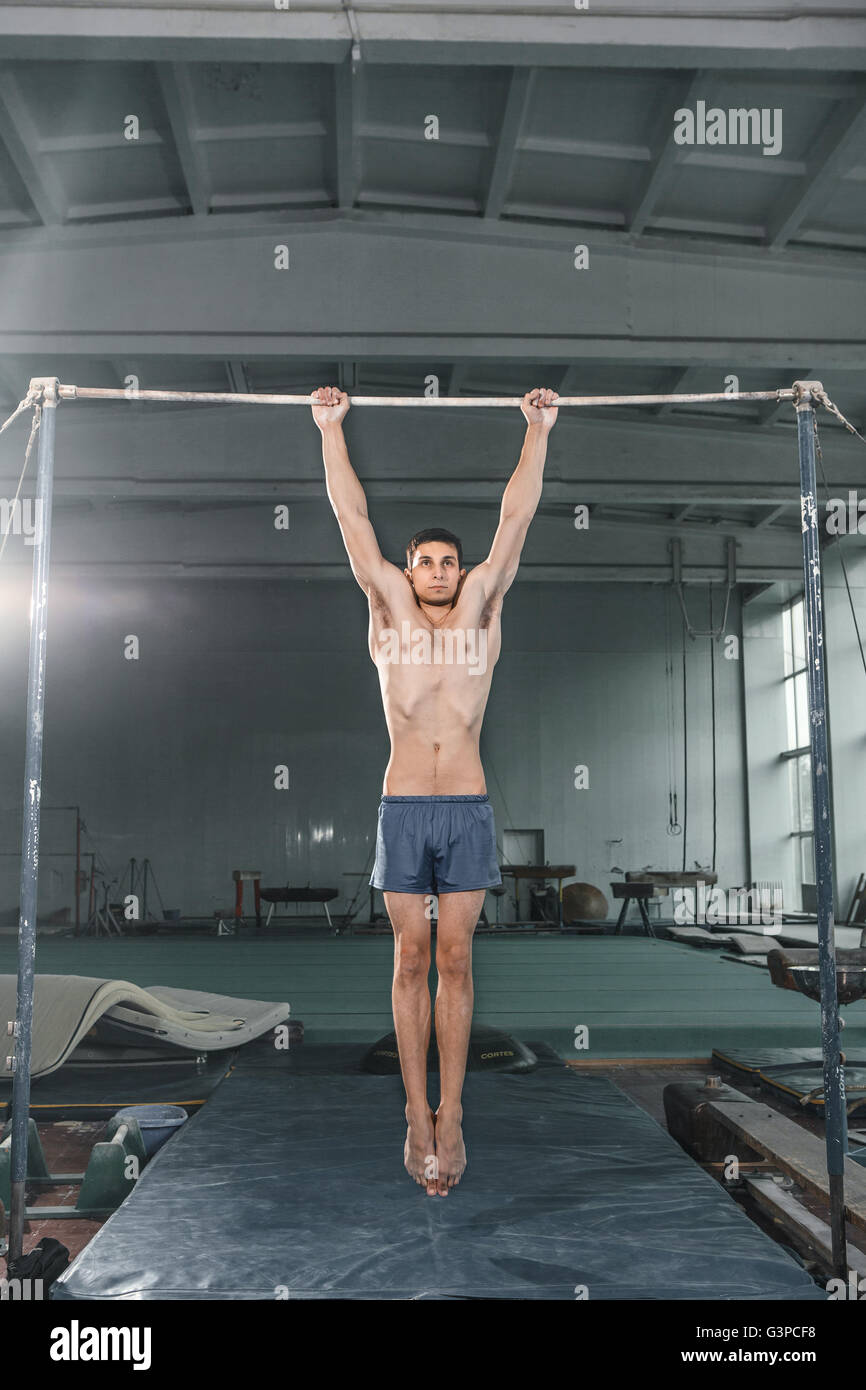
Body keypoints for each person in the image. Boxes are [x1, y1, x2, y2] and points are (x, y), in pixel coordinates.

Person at [312, 385, 559, 1196]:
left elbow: (515, 517)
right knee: (410, 956)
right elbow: (353, 520)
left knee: (456, 956)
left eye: (449, 561)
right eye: (426, 561)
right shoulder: (387, 612)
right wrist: (330, 427)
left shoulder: (485, 607)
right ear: (408, 570)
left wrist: (538, 431)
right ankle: (414, 1111)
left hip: (467, 807)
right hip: (406, 806)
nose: (440, 571)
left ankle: (454, 1113)